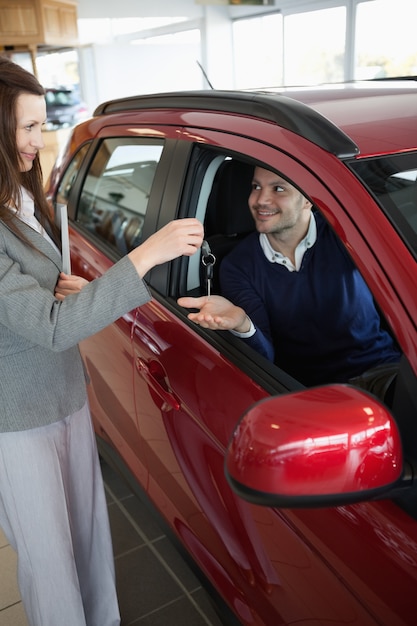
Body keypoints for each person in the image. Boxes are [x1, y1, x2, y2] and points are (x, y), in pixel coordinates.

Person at [0, 56, 203, 626]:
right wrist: (146, 254)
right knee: (49, 562)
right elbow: (48, 326)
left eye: (42, 125)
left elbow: (39, 297)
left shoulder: (21, 193)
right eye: (30, 127)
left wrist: (59, 285)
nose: (41, 140)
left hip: (65, 391)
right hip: (17, 417)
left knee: (87, 537)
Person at [178, 165, 400, 402]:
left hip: (384, 371)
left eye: (278, 188)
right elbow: (266, 358)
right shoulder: (238, 265)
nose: (261, 199)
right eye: (256, 187)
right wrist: (243, 323)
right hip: (318, 395)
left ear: (307, 200)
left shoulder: (347, 236)